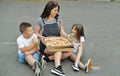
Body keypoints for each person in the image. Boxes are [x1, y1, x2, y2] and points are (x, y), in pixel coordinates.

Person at [34, 1, 71, 76]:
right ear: (49, 9)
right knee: (59, 50)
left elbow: (61, 29)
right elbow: (36, 33)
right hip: (46, 45)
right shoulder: (41, 20)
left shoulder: (58, 18)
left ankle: (47, 58)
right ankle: (57, 67)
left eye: (57, 10)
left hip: (57, 42)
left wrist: (67, 36)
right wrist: (41, 37)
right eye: (55, 10)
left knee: (69, 52)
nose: (56, 12)